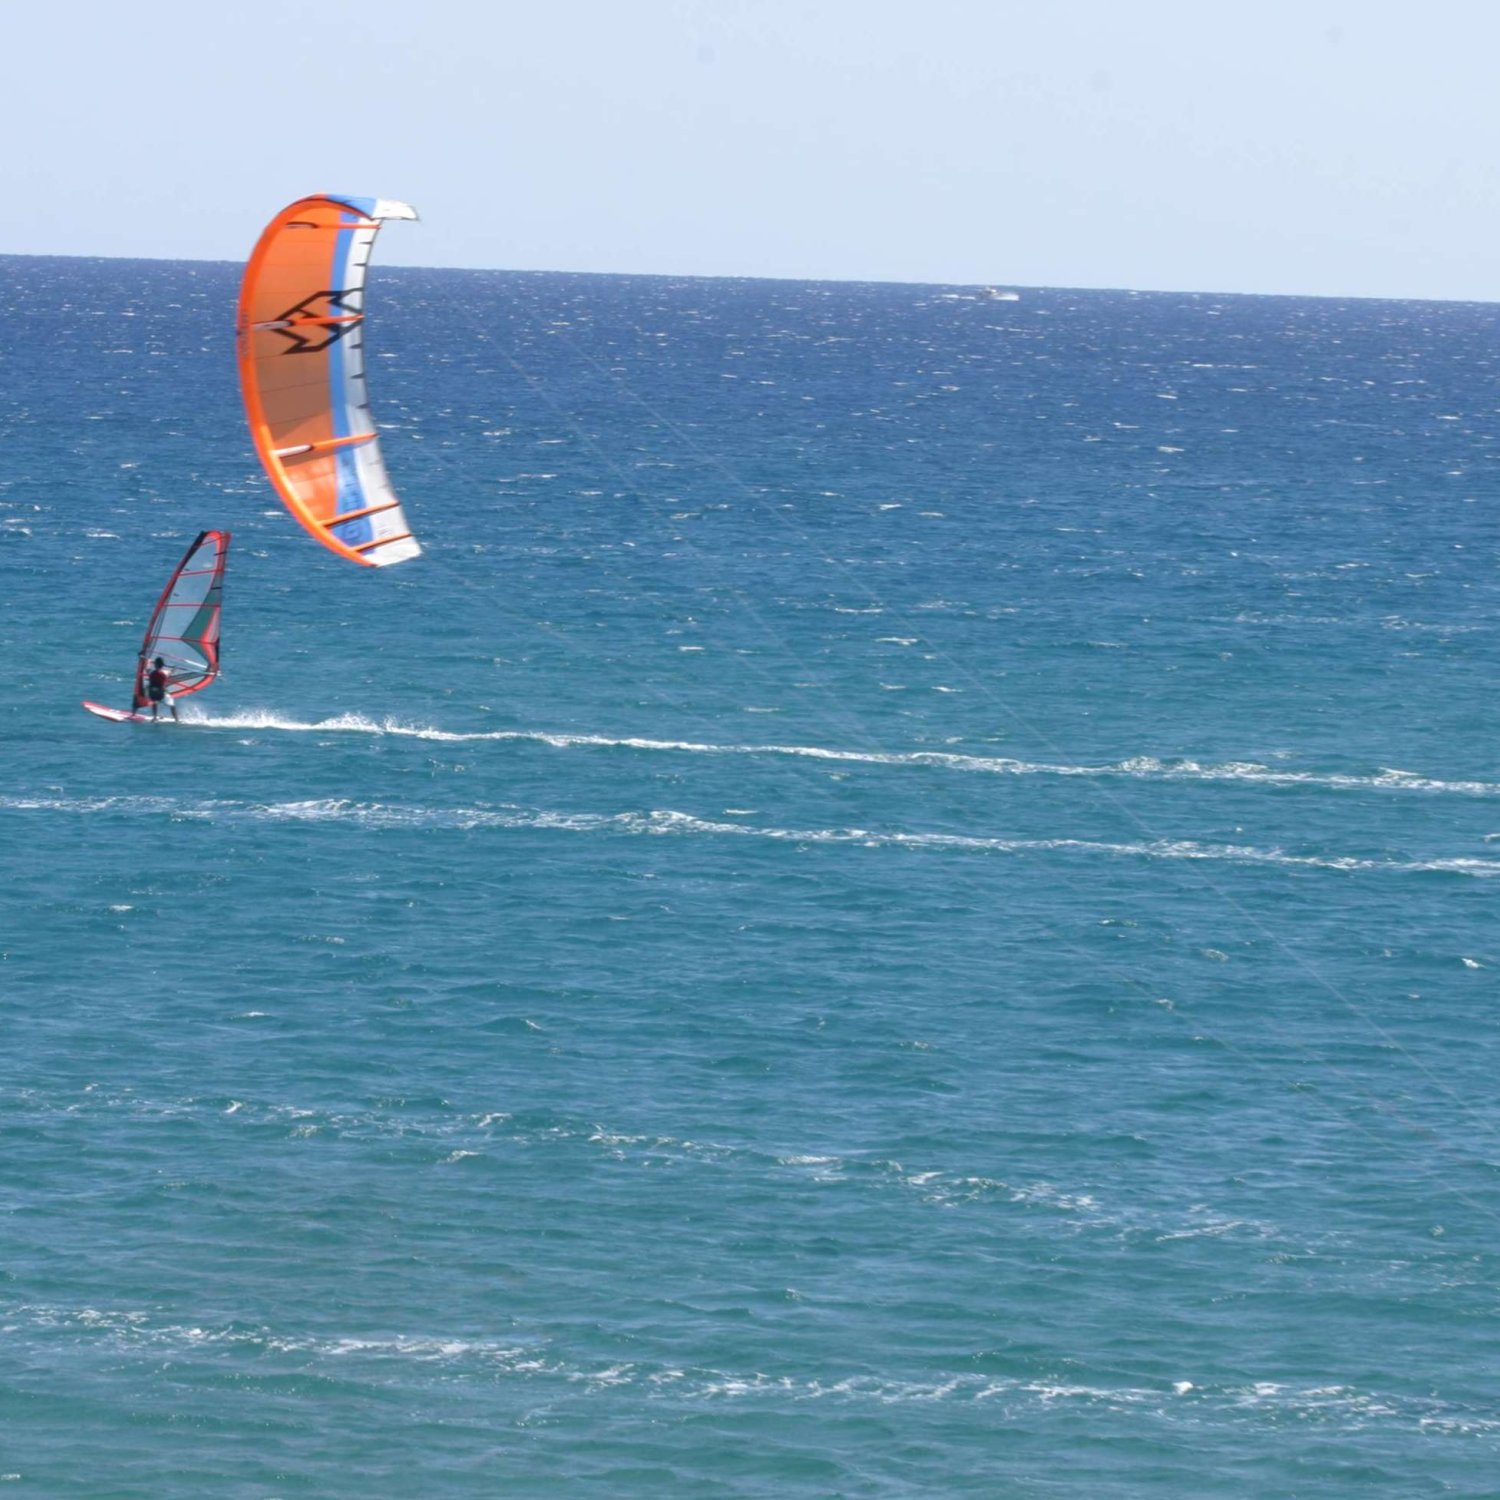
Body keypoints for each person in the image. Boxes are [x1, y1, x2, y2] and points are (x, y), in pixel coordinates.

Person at [143, 656, 177, 721]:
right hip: (162, 693)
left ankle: (155, 717)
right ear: (162, 665)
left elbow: (146, 668)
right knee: (172, 704)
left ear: (155, 665)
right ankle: (176, 719)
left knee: (154, 701)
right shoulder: (165, 672)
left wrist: (148, 661)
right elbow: (171, 672)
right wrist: (174, 668)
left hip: (152, 693)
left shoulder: (151, 672)